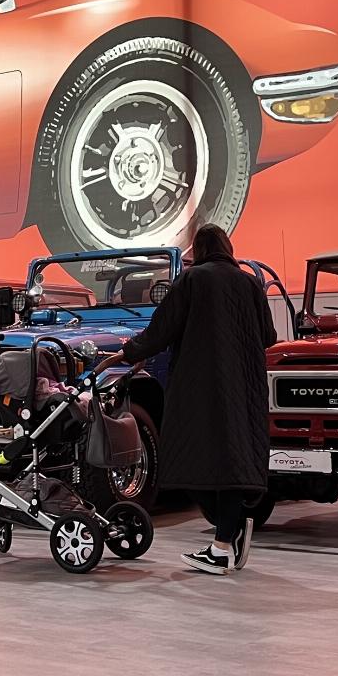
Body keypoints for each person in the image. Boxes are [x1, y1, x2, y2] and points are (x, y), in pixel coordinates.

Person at [101, 223, 277, 575]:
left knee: (187, 458)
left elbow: (162, 329)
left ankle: (223, 545)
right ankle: (227, 534)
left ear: (199, 249)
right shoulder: (249, 283)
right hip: (245, 387)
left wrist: (128, 353)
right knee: (233, 462)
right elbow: (269, 336)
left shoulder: (193, 279)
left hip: (203, 386)